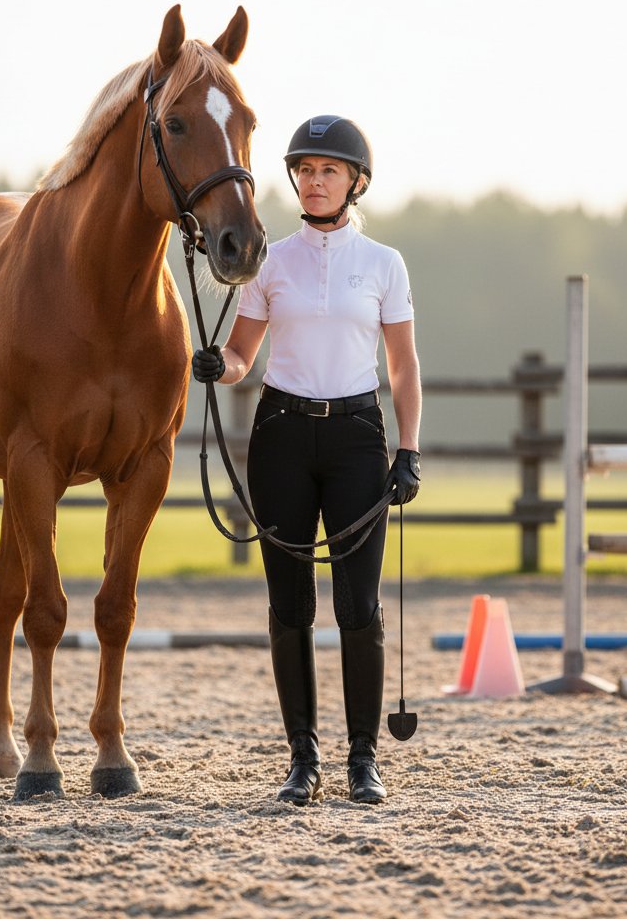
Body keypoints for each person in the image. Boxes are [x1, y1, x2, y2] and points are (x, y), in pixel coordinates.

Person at [191, 116, 422, 805]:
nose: (313, 182)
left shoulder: (384, 264)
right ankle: (303, 757)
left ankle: (362, 759)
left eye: (327, 171)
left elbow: (404, 370)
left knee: (361, 607)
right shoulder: (271, 262)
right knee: (289, 607)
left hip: (356, 437)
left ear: (355, 182)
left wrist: (407, 450)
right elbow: (242, 356)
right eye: (304, 170)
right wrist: (218, 364)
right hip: (282, 437)